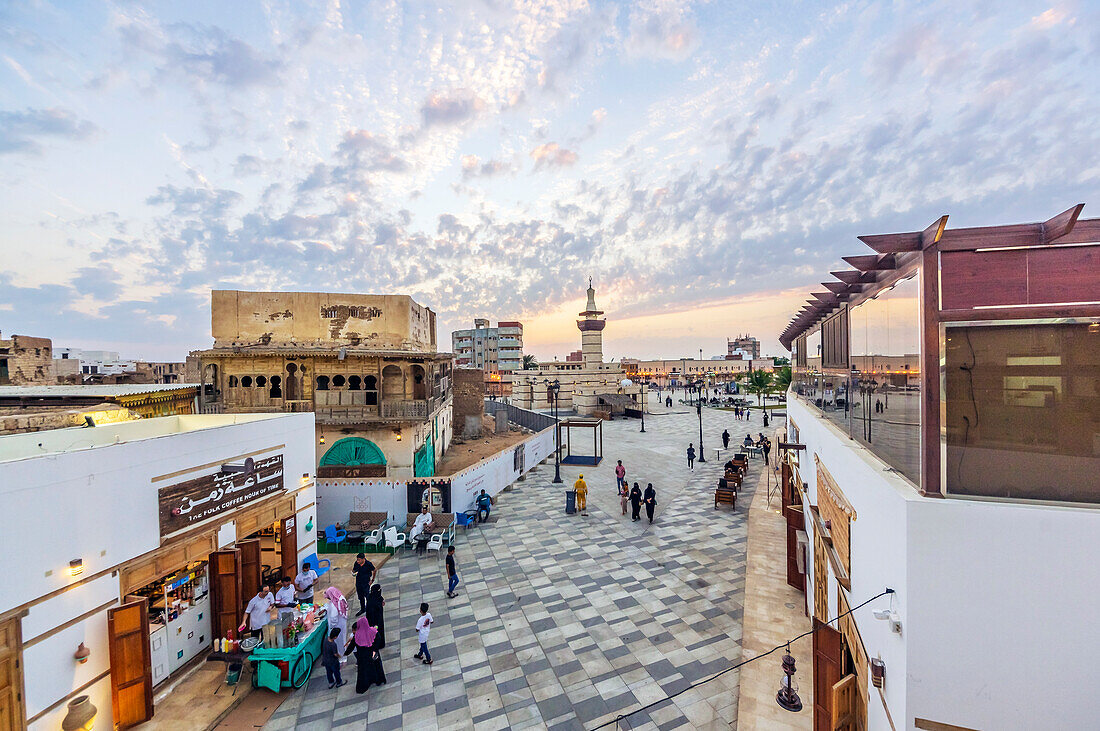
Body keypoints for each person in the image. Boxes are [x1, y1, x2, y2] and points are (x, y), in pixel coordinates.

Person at [346, 617, 385, 692]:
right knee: (376, 667)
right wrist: (374, 648)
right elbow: (378, 639)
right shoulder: (373, 631)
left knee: (365, 670)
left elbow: (352, 645)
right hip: (373, 654)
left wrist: (346, 653)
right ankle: (378, 680)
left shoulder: (357, 635)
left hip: (363, 657)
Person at [321, 586, 349, 661]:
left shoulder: (334, 605)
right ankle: (343, 656)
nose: (328, 598)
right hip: (342, 624)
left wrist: (332, 627)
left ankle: (341, 658)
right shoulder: (340, 598)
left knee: (338, 642)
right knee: (342, 640)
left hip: (336, 626)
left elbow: (333, 618)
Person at [365, 584, 386, 648]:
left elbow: (380, 598)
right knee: (377, 632)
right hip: (375, 621)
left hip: (377, 619)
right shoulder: (373, 602)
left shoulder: (372, 596)